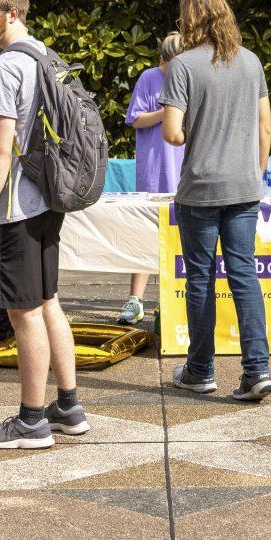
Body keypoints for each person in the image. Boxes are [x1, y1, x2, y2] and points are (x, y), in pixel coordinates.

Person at [0, 0, 87, 448]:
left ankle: (32, 420)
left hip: (14, 209)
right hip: (47, 199)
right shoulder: (45, 56)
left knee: (23, 313)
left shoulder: (5, 68)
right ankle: (68, 406)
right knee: (49, 301)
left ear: (11, 13)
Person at [160, 0, 271, 401]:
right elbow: (266, 127)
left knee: (201, 279)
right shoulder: (251, 62)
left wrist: (200, 131)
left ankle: (200, 369)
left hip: (201, 188)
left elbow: (172, 132)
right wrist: (254, 172)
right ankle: (257, 370)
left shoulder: (183, 65)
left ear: (188, 20)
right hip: (245, 187)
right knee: (245, 276)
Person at [118, 32, 185, 324]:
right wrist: (166, 112)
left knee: (184, 236)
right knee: (144, 234)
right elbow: (135, 118)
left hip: (184, 170)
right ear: (162, 59)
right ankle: (135, 300)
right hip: (155, 169)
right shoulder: (148, 78)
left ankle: (173, 299)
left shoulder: (190, 79)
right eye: (173, 64)